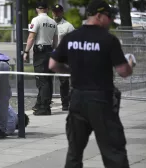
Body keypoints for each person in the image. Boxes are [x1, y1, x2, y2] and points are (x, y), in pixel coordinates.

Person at [49, 0, 135, 167]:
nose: (110, 21)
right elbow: (123, 71)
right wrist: (131, 63)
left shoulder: (71, 37)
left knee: (74, 152)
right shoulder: (108, 40)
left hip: (77, 100)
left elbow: (52, 65)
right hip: (101, 100)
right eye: (109, 17)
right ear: (99, 15)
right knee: (113, 152)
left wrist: (70, 71)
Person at [23, 2, 58, 116]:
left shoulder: (36, 20)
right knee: (47, 79)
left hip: (40, 51)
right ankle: (40, 104)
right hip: (49, 50)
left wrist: (26, 51)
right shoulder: (53, 22)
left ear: (37, 9)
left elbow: (31, 37)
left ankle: (44, 107)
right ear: (47, 9)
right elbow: (55, 39)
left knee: (41, 80)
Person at [51, 4, 75, 111]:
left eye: (58, 12)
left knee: (64, 81)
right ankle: (45, 103)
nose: (56, 14)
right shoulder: (48, 24)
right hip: (49, 55)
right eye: (54, 12)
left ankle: (65, 103)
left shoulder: (68, 26)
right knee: (45, 81)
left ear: (62, 12)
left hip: (63, 57)